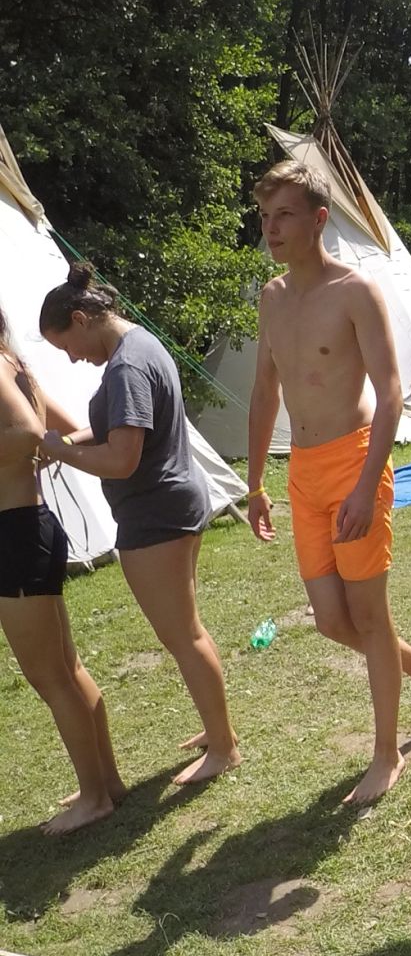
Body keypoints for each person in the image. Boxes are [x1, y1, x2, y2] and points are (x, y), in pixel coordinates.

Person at [245, 160, 411, 804]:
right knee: (332, 621)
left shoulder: (357, 290)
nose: (272, 228)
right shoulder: (272, 296)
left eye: (284, 215)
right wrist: (255, 482)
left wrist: (365, 485)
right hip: (302, 471)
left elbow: (391, 395)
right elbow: (264, 393)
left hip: (356, 461)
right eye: (265, 217)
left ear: (319, 219)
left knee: (369, 615)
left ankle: (387, 753)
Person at [35, 263, 239, 784]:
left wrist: (63, 451)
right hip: (174, 504)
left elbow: (123, 458)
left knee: (182, 635)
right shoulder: (141, 344)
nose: (72, 358)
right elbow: (119, 432)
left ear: (81, 319)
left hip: (156, 515)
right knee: (187, 630)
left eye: (67, 346)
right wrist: (67, 443)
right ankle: (217, 730)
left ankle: (223, 747)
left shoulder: (126, 367)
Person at [0, 317, 123, 832]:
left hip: (16, 535)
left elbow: (30, 433)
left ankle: (94, 797)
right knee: (66, 669)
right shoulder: (14, 365)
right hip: (30, 528)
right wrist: (38, 455)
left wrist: (31, 454)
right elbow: (64, 430)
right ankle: (105, 782)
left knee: (50, 677)